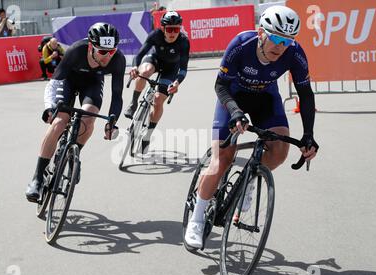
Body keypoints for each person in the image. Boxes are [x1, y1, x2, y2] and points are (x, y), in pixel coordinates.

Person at [184, 5, 319, 248]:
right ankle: (196, 219)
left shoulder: (294, 53)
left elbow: (306, 95)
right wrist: (235, 112)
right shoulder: (241, 44)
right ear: (261, 33)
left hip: (265, 98)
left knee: (279, 151)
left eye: (287, 41)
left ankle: (248, 181)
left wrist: (309, 135)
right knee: (222, 159)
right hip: (233, 98)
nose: (280, 46)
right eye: (276, 38)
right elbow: (220, 86)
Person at [25, 23, 126, 202]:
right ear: (91, 46)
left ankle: (74, 155)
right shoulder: (76, 50)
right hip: (67, 82)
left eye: (111, 51)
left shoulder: (118, 59)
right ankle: (38, 178)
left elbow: (117, 95)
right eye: (102, 52)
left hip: (92, 84)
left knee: (89, 118)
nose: (108, 56)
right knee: (59, 122)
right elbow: (55, 81)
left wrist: (112, 122)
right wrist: (49, 107)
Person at [123, 11, 190, 154]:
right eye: (169, 29)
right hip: (154, 60)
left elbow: (183, 68)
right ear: (163, 28)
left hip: (171, 68)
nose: (173, 33)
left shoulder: (183, 42)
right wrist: (135, 67)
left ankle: (148, 134)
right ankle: (134, 103)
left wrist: (177, 82)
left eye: (176, 29)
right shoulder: (155, 35)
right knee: (145, 72)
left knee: (158, 100)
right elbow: (140, 54)